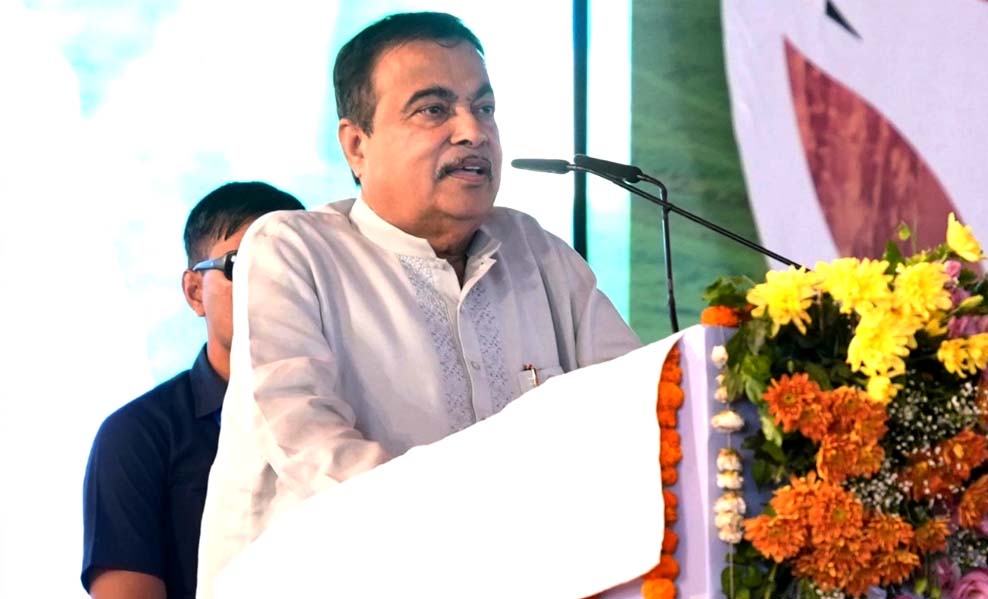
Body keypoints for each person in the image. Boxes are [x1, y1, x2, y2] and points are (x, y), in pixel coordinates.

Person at [197, 12, 641, 596]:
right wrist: (482, 538)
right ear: (357, 146)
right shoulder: (293, 249)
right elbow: (311, 447)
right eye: (434, 109)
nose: (473, 131)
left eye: (484, 108)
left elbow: (637, 409)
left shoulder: (537, 252)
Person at [81, 182, 305, 599]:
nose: (274, 283)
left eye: (294, 265)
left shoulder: (354, 407)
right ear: (195, 292)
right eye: (242, 265)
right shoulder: (138, 435)